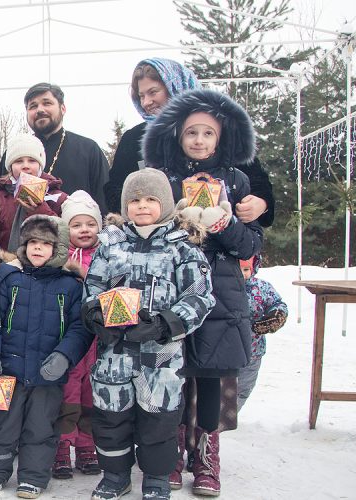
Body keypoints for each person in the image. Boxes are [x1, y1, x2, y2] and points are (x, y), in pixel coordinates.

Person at [144, 89, 263, 496]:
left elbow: (248, 245)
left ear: (220, 138)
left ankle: (207, 455)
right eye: (191, 132)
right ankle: (173, 452)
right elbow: (150, 233)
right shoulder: (164, 178)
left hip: (220, 290)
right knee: (173, 370)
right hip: (174, 287)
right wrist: (179, 221)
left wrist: (221, 223)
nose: (198, 140)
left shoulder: (237, 179)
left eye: (207, 133)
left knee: (210, 376)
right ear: (177, 135)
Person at [83, 168, 215, 500]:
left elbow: (200, 297)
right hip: (114, 354)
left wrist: (165, 324)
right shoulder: (110, 246)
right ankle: (115, 476)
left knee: (159, 422)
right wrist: (95, 314)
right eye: (135, 200)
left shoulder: (182, 250)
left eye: (151, 199)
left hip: (162, 357)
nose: (142, 206)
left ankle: (156, 478)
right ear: (126, 206)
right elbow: (92, 287)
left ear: (166, 204)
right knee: (111, 419)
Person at [0, 215, 92, 498]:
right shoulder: (8, 277)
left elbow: (79, 328)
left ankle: (33, 478)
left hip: (47, 372)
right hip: (6, 369)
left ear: (58, 248)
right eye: (33, 243)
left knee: (41, 427)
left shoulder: (71, 285)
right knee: (0, 425)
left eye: (46, 244)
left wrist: (64, 356)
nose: (38, 249)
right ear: (23, 246)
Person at [105, 58, 275, 227]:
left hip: (220, 243)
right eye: (141, 96)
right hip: (158, 245)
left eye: (153, 92)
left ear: (176, 87)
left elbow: (256, 180)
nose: (146, 102)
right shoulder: (134, 139)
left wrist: (261, 203)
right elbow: (115, 190)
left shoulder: (221, 131)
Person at [52, 191, 103, 480]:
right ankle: (62, 446)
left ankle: (87, 446)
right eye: (76, 224)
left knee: (90, 394)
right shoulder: (59, 260)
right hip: (69, 337)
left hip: (98, 340)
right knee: (67, 394)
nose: (84, 230)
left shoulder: (107, 256)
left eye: (90, 224)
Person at [0, 83, 108, 211]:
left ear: (63, 108)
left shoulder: (88, 149)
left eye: (47, 103)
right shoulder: (14, 153)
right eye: (33, 106)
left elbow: (103, 201)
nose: (40, 109)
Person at [0, 133, 69, 250]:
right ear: (10, 167)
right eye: (19, 161)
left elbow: (65, 237)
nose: (25, 166)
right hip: (6, 265)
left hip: (46, 265)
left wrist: (39, 209)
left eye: (32, 161)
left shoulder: (59, 198)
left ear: (40, 165)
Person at [237, 255, 288, 410]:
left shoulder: (262, 288)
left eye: (246, 269)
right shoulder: (220, 287)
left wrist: (276, 315)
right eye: (238, 269)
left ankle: (229, 416)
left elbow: (277, 303)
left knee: (244, 388)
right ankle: (217, 417)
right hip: (225, 351)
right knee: (222, 389)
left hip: (253, 350)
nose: (242, 274)